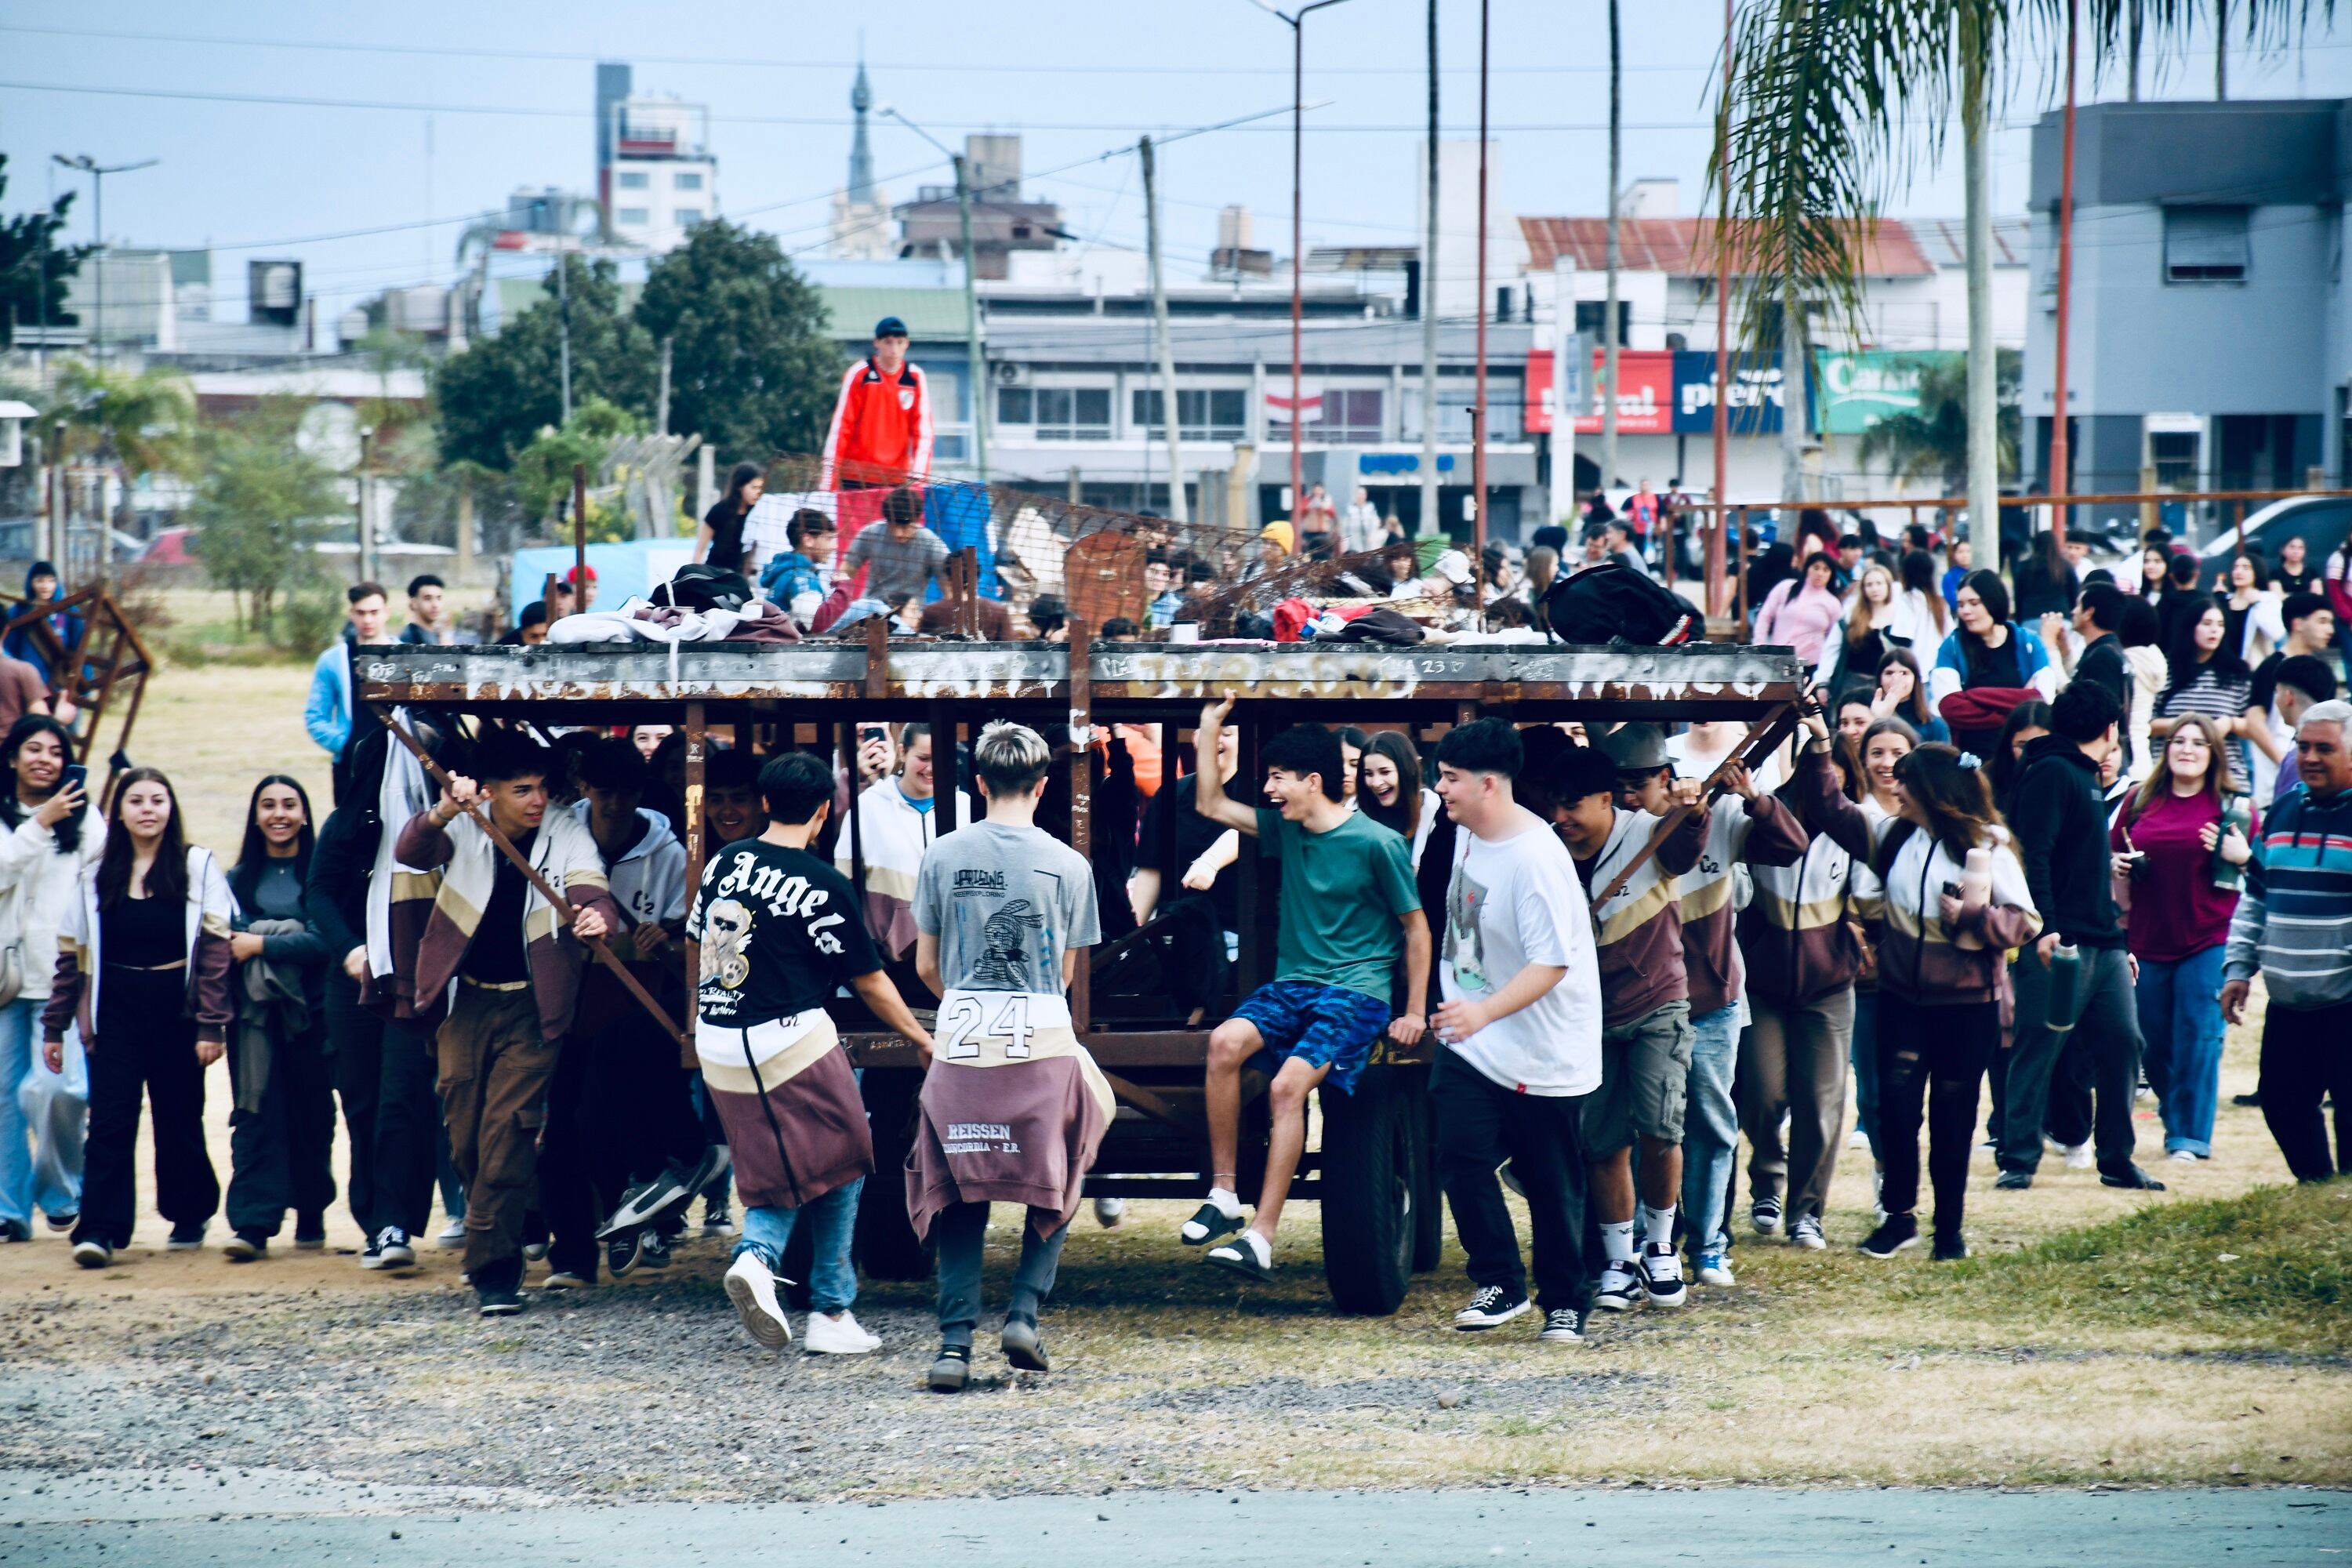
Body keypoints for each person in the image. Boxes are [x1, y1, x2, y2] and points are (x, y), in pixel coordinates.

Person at [691, 750, 934, 1355]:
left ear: (765, 803)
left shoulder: (724, 860)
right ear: (825, 811)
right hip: (790, 1038)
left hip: (716, 1037)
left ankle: (789, 1279)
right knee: (849, 1156)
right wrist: (923, 1039)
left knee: (781, 1165)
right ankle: (817, 1301)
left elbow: (696, 941)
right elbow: (872, 983)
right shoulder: (824, 883)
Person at [1184, 699, 1428, 1281]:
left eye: (1276, 778)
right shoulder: (1284, 830)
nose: (1268, 789)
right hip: (1294, 983)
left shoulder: (1378, 844)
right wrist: (1211, 726)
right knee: (1223, 1045)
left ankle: (1262, 1237)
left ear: (1312, 782)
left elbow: (1416, 929)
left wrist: (1414, 1010)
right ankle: (1223, 1195)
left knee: (1288, 1087)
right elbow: (1209, 802)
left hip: (1357, 992)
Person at [907, 722, 1107, 1388]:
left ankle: (953, 1345)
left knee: (960, 1185)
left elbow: (926, 964)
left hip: (962, 1034)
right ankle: (1024, 1309)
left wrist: (967, 998)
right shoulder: (1071, 865)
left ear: (980, 784)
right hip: (1042, 1037)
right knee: (1068, 1158)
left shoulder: (942, 855)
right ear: (1044, 787)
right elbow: (1070, 974)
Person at [393, 729, 619, 1315]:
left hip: (532, 1007)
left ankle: (495, 1268)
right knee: (466, 1138)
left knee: (507, 1133)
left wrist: (595, 916)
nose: (538, 799)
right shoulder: (465, 822)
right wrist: (445, 810)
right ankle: (509, 1228)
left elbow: (592, 886)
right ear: (489, 792)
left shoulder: (565, 829)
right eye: (522, 790)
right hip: (465, 1002)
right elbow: (410, 851)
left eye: (543, 787)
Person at [1425, 720, 1606, 1341]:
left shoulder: (1536, 859)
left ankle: (1566, 1300)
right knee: (1459, 1153)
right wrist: (1459, 1005)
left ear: (1489, 785)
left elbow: (1552, 963)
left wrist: (1482, 1011)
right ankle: (1500, 1282)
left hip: (1544, 1047)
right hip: (1473, 1037)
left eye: (1450, 779)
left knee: (1552, 1183)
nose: (1440, 789)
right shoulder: (1464, 835)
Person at [1621, 724, 1805, 1290]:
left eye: (1639, 783)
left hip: (1712, 998)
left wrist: (1754, 798)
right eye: (1618, 784)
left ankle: (1708, 1246)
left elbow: (1790, 846)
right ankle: (1638, 1243)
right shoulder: (1615, 831)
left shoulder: (1718, 816)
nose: (1629, 795)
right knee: (1641, 1128)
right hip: (1639, 1001)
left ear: (1667, 778)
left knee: (1711, 1124)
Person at [536, 739, 717, 1286]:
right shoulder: (561, 834)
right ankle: (571, 1254)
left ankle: (633, 1221)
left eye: (626, 793)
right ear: (586, 789)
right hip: (569, 1001)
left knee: (598, 1121)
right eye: (604, 792)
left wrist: (661, 942)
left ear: (642, 793)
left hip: (638, 1006)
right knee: (562, 1130)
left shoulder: (669, 850)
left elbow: (687, 941)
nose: (615, 805)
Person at [45, 769, 236, 1266]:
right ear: (120, 812)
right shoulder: (94, 873)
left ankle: (188, 1212)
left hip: (177, 1007)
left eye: (157, 799)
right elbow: (72, 954)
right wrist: (55, 1023)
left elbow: (216, 950)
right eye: (136, 800)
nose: (147, 809)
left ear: (170, 808)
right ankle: (100, 1230)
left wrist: (211, 1023)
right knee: (110, 1120)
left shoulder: (197, 866)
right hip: (117, 1009)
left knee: (179, 1117)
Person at [1862, 745, 2041, 1261]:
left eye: (1905, 783)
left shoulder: (1986, 848)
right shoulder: (1897, 836)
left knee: (1952, 1115)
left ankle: (1950, 1230)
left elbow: (2026, 922)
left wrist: (1970, 917)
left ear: (1932, 793)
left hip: (1966, 1007)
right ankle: (1898, 1217)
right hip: (1901, 999)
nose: (1896, 790)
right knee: (1894, 1109)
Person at [1554, 738, 1704, 1306]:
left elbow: (1688, 846)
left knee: (1660, 1130)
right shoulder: (1547, 851)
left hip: (1656, 1004)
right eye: (1556, 806)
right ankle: (1618, 1259)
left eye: (1573, 805)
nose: (1562, 818)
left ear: (1605, 799)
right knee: (1602, 1142)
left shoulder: (1648, 832)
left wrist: (1692, 809)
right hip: (1584, 1015)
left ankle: (1662, 1247)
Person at [2000, 681, 2165, 1192]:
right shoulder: (2051, 772)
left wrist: (2121, 946)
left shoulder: (2082, 775)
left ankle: (2117, 1159)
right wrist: (2044, 928)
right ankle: (2018, 1159)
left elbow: (2089, 872)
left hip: (2104, 940)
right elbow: (2034, 855)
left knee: (2123, 1042)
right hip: (2059, 943)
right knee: (2039, 1045)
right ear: (2111, 729)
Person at [1733, 705, 1875, 1250]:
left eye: (1838, 773)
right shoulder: (1762, 824)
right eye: (1820, 771)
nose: (1827, 786)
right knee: (1763, 1093)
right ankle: (1767, 1180)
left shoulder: (1855, 829)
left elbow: (1869, 898)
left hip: (1829, 984)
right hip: (1764, 983)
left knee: (1822, 1102)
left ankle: (1806, 1211)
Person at [2111, 717, 2251, 1165]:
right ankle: (2175, 1118)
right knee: (2151, 1039)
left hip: (2208, 937)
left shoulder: (2232, 806)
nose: (2186, 749)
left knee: (2198, 1034)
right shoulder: (2139, 801)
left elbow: (2256, 869)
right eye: (2178, 741)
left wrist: (2236, 855)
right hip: (2148, 938)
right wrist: (2117, 868)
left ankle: (2190, 1136)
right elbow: (2113, 851)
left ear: (2213, 754)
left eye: (2197, 743)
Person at [2222, 702, 2352, 1181]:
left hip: (2346, 1000)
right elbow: (2255, 898)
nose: (2310, 757)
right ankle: (2320, 1191)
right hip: (2289, 1001)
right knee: (2281, 1103)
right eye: (2303, 747)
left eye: (2325, 748)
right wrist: (2238, 969)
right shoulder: (2281, 810)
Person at [218, 776, 332, 1259]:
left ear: (305, 814)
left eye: (289, 804)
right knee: (256, 1111)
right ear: (256, 815)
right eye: (268, 805)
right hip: (253, 1019)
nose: (279, 814)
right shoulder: (237, 878)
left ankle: (311, 1209)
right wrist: (287, 938)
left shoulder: (320, 875)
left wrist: (261, 943)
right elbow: (223, 940)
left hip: (314, 1015)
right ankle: (253, 1223)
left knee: (312, 1113)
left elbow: (324, 941)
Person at [0, 717, 96, 1243]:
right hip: (4, 978)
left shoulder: (86, 818)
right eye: (32, 749)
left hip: (61, 980)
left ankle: (60, 1188)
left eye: (56, 751)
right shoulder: (10, 816)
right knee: (4, 1099)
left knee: (60, 1090)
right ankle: (8, 1208)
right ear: (12, 758)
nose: (45, 759)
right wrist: (39, 824)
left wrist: (58, 819)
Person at [836, 722, 970, 959]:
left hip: (956, 954)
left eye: (940, 758)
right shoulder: (868, 806)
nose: (931, 768)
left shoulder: (965, 806)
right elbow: (843, 885)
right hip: (889, 957)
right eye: (924, 758)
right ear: (902, 752)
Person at [1928, 570, 2059, 757]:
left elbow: (2043, 699)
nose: (1965, 611)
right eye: (1961, 605)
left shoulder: (2029, 643)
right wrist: (2017, 705)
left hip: (2022, 756)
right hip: (1972, 758)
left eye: (1974, 603)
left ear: (1994, 601)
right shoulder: (1951, 647)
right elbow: (1950, 707)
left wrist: (1973, 695)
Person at [2152, 594, 2257, 794]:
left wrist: (2230, 723)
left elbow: (2253, 726)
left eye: (2220, 624)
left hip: (2225, 780)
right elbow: (2146, 725)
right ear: (2191, 627)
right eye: (2207, 623)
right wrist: (2193, 727)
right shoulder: (2166, 669)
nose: (2214, 630)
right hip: (2171, 780)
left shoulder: (2237, 673)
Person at [822, 318, 932, 499]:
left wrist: (919, 482)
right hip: (855, 478)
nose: (894, 349)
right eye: (888, 342)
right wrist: (828, 483)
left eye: (899, 342)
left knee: (893, 528)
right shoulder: (860, 374)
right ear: (877, 343)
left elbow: (924, 434)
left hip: (896, 480)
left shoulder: (915, 378)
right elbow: (841, 429)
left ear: (907, 344)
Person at [2246, 593, 2339, 802]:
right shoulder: (2271, 668)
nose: (2330, 630)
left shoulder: (2323, 673)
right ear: (2298, 623)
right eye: (2322, 621)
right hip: (2271, 790)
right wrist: (2286, 762)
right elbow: (2253, 722)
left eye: (2331, 623)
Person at [304, 583, 388, 801]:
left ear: (386, 613)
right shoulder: (332, 660)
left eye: (374, 613)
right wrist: (348, 744)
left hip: (398, 763)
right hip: (350, 767)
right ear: (351, 614)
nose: (368, 620)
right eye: (361, 613)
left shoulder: (407, 656)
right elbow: (315, 718)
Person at [840, 486, 951, 613]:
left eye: (905, 527)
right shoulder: (870, 533)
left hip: (909, 616)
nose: (898, 533)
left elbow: (948, 588)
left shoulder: (931, 543)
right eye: (893, 526)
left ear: (917, 520)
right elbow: (847, 570)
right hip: (871, 611)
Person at [2, 562, 85, 706]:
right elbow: (8, 646)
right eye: (39, 580)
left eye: (50, 581)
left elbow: (80, 647)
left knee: (66, 725)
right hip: (28, 679)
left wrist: (82, 681)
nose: (45, 586)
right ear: (31, 582)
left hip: (60, 680)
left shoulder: (69, 611)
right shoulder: (19, 611)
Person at [1358, 731, 1440, 870]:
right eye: (1368, 774)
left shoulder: (1433, 812)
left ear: (1407, 769)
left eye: (1385, 772)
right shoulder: (1355, 813)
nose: (1376, 783)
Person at [1755, 553, 1845, 670]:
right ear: (1807, 568)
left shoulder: (1833, 603)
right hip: (1776, 659)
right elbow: (1765, 617)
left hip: (1810, 664)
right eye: (1816, 568)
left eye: (1826, 570)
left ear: (1831, 574)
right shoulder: (1786, 588)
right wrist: (1759, 646)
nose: (1820, 573)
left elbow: (1835, 637)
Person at [759, 508, 840, 629]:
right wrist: (843, 590)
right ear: (808, 540)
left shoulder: (788, 571)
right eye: (829, 539)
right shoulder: (802, 577)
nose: (835, 546)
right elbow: (818, 626)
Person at [696, 462, 767, 575]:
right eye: (754, 487)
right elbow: (700, 550)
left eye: (760, 488)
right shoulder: (719, 510)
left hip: (741, 577)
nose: (758, 492)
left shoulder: (757, 512)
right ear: (739, 486)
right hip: (715, 573)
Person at [1871, 649, 1948, 744]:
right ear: (1880, 679)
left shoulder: (1935, 726)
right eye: (1889, 673)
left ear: (1915, 679)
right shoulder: (1869, 714)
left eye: (1904, 673)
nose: (1896, 679)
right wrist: (1878, 718)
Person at [2219, 550, 2279, 666]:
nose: (2238, 572)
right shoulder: (2223, 601)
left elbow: (2275, 633)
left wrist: (2257, 603)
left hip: (2253, 665)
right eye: (2236, 567)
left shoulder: (2267, 600)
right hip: (2223, 665)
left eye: (2246, 568)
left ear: (2257, 572)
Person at [2012, 532, 2078, 622]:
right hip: (2060, 616)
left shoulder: (2024, 567)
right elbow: (2074, 594)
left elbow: (2018, 597)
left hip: (2031, 617)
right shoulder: (2065, 566)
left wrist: (2019, 620)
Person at [397, 575, 453, 647]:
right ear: (414, 603)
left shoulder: (439, 635)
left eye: (439, 598)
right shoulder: (409, 638)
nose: (435, 605)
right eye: (428, 599)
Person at [1340, 486, 1385, 556]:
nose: (1360, 497)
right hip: (1354, 540)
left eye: (1362, 494)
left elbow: (1375, 523)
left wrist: (1372, 534)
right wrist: (1344, 541)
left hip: (1368, 540)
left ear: (1365, 496)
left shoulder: (1370, 508)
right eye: (1359, 494)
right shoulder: (1350, 509)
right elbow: (1344, 526)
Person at [1938, 536, 1973, 613]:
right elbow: (1952, 601)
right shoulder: (1949, 576)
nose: (1965, 555)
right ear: (1954, 554)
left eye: (1968, 551)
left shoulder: (1977, 573)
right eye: (1960, 552)